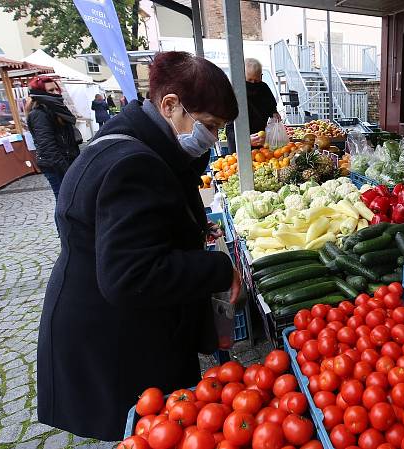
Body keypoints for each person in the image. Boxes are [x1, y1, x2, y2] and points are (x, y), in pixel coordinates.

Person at [37, 51, 241, 441]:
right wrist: (215, 269)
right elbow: (131, 275)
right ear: (170, 105)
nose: (213, 140)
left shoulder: (133, 138)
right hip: (113, 337)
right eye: (210, 126)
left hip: (111, 318)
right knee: (144, 433)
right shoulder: (134, 163)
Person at [25, 76, 81, 199]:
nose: (56, 92)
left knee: (71, 199)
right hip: (55, 165)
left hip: (67, 160)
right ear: (40, 93)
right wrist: (66, 169)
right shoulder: (39, 114)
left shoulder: (57, 110)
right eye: (51, 91)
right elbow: (47, 147)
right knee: (63, 201)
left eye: (56, 89)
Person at [225, 58, 280, 153]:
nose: (253, 84)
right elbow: (230, 126)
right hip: (238, 139)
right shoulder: (234, 91)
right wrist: (244, 140)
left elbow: (271, 105)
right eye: (249, 80)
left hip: (260, 137)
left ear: (261, 77)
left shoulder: (264, 88)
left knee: (261, 162)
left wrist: (274, 113)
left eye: (256, 80)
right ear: (242, 76)